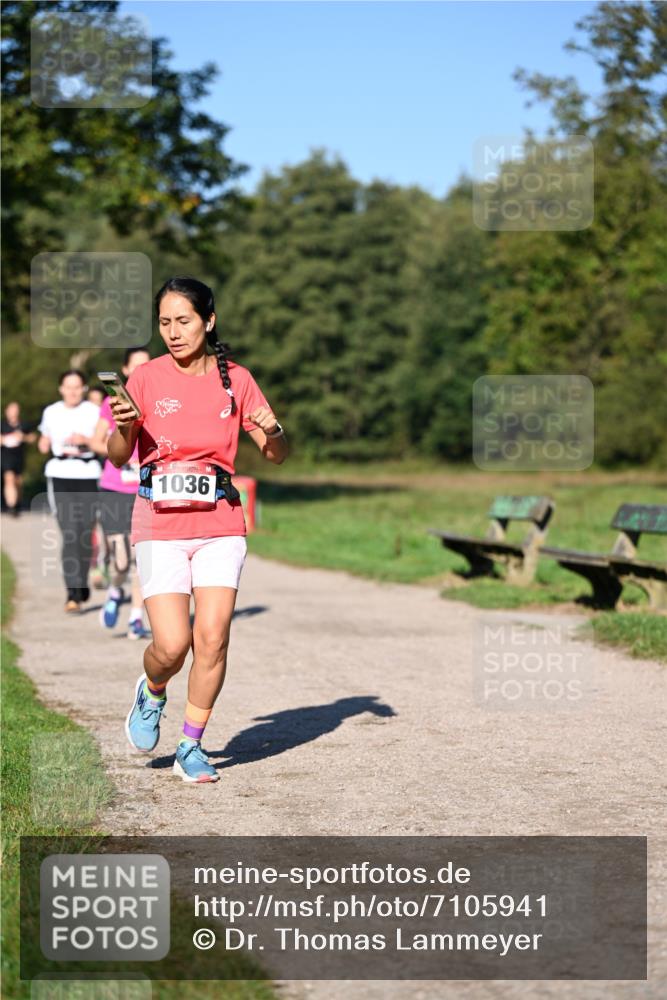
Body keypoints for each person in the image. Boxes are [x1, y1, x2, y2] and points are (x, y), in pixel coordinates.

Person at [108, 276, 289, 783]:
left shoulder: (237, 379)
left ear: (208, 321)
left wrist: (273, 430)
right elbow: (119, 454)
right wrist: (125, 426)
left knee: (212, 638)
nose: (172, 331)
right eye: (164, 322)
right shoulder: (144, 378)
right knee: (171, 645)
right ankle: (152, 691)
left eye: (183, 321)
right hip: (159, 522)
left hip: (220, 523)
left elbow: (275, 455)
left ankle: (191, 743)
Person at [90, 347, 151, 640]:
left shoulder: (158, 402)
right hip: (115, 488)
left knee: (143, 558)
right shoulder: (111, 402)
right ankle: (115, 591)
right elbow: (95, 442)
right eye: (136, 366)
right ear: (125, 370)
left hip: (146, 489)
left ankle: (137, 617)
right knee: (122, 560)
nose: (141, 370)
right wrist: (124, 455)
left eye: (146, 365)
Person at [38, 370, 103, 612]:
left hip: (88, 474)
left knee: (85, 533)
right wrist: (43, 443)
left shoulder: (94, 412)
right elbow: (44, 438)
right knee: (69, 533)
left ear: (84, 389)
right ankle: (72, 593)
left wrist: (86, 441)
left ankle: (82, 579)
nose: (73, 392)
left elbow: (106, 442)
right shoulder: (51, 411)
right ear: (61, 388)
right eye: (68, 387)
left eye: (77, 387)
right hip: (60, 474)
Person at [1, 401, 37, 516]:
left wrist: (23, 437)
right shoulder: (2, 425)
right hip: (5, 456)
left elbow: (33, 438)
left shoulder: (24, 425)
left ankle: (17, 503)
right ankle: (11, 506)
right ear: (6, 411)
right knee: (9, 478)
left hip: (19, 456)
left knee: (18, 482)